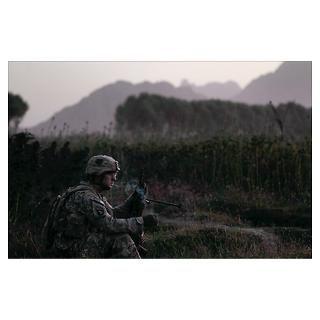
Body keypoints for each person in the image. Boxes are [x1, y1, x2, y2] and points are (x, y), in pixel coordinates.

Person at [43, 155, 158, 258]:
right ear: (98, 174)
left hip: (76, 245)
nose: (114, 178)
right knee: (121, 239)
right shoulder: (87, 197)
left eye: (115, 174)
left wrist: (134, 198)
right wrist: (141, 222)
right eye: (111, 174)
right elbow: (109, 225)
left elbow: (113, 214)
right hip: (69, 251)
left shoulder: (93, 194)